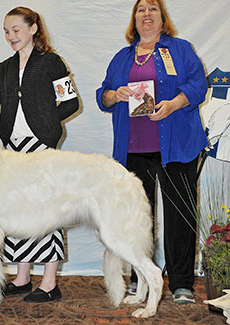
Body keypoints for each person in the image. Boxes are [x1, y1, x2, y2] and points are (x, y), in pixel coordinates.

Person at [96, 0, 208, 304]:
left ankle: (182, 283)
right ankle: (140, 278)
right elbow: (102, 95)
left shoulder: (180, 49)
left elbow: (199, 84)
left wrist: (175, 103)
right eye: (140, 9)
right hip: (133, 149)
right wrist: (113, 94)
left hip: (177, 146)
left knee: (180, 216)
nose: (146, 14)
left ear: (162, 17)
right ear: (134, 19)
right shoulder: (122, 57)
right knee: (136, 218)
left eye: (152, 8)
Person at [0, 7, 79, 303]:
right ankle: (21, 277)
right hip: (12, 150)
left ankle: (48, 282)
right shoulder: (4, 67)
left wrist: (47, 122)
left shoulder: (52, 62)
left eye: (16, 30)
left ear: (33, 29)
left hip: (41, 149)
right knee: (15, 212)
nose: (10, 36)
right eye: (6, 31)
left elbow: (70, 103)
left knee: (46, 211)